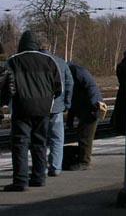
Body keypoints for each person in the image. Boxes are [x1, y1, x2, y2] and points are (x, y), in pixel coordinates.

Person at [3, 31, 62, 192]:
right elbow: (59, 88)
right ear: (36, 44)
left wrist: (5, 103)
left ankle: (21, 181)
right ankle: (38, 178)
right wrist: (47, 99)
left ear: (21, 44)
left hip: (21, 108)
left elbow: (5, 84)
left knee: (20, 144)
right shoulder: (49, 61)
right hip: (43, 109)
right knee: (40, 143)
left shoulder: (13, 61)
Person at [66, 63, 106, 170]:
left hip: (92, 108)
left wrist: (95, 105)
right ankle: (82, 158)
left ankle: (84, 162)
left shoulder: (77, 72)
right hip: (85, 107)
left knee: (85, 136)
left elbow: (91, 87)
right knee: (83, 134)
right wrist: (70, 118)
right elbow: (73, 98)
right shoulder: (72, 72)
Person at [43, 43, 72, 177]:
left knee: (39, 138)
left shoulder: (34, 61)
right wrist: (67, 103)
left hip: (39, 107)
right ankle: (55, 167)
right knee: (57, 138)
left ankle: (41, 167)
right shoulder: (60, 62)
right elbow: (69, 83)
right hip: (57, 106)